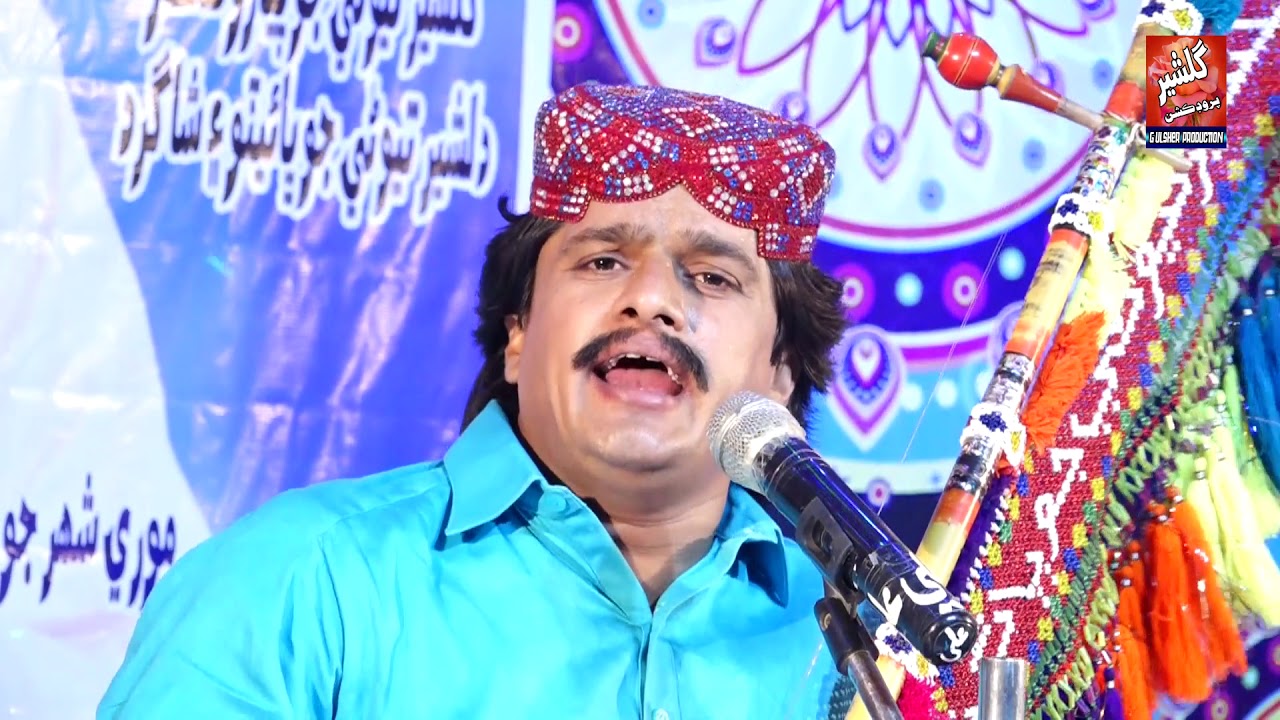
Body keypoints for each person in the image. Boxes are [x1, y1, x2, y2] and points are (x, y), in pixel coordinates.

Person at [97, 82, 849, 719]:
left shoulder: (852, 648)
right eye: (602, 261)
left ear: (781, 371)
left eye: (713, 277)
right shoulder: (301, 579)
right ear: (518, 332)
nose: (651, 298)